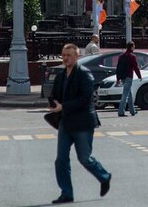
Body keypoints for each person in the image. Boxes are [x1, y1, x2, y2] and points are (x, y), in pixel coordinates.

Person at [48, 43, 111, 204]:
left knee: (84, 158)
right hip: (65, 122)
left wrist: (63, 106)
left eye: (69, 55)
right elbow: (55, 94)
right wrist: (53, 103)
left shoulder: (84, 74)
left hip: (83, 123)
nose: (65, 58)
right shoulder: (61, 76)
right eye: (63, 55)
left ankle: (104, 176)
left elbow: (85, 99)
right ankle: (66, 193)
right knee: (61, 159)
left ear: (76, 57)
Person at [116, 42, 142, 117]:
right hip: (129, 77)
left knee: (129, 94)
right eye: (134, 46)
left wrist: (118, 78)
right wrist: (139, 76)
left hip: (123, 77)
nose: (134, 47)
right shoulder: (132, 56)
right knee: (125, 95)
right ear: (131, 47)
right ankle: (121, 112)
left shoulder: (121, 56)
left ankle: (132, 111)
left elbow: (118, 68)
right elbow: (135, 67)